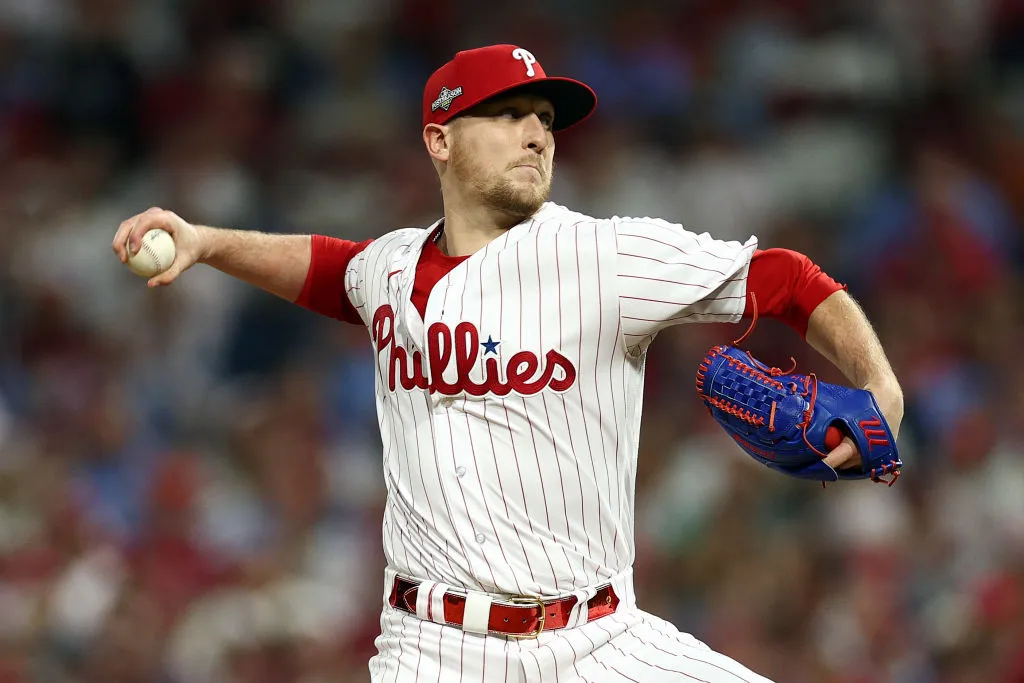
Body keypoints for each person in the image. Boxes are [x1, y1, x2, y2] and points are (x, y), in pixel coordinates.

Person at [112, 44, 904, 682]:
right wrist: (208, 243)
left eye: (544, 119)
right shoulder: (387, 267)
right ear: (440, 138)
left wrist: (881, 388)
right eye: (507, 114)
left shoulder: (602, 254)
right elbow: (329, 270)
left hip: (602, 641)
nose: (536, 133)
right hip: (434, 649)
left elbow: (791, 280)